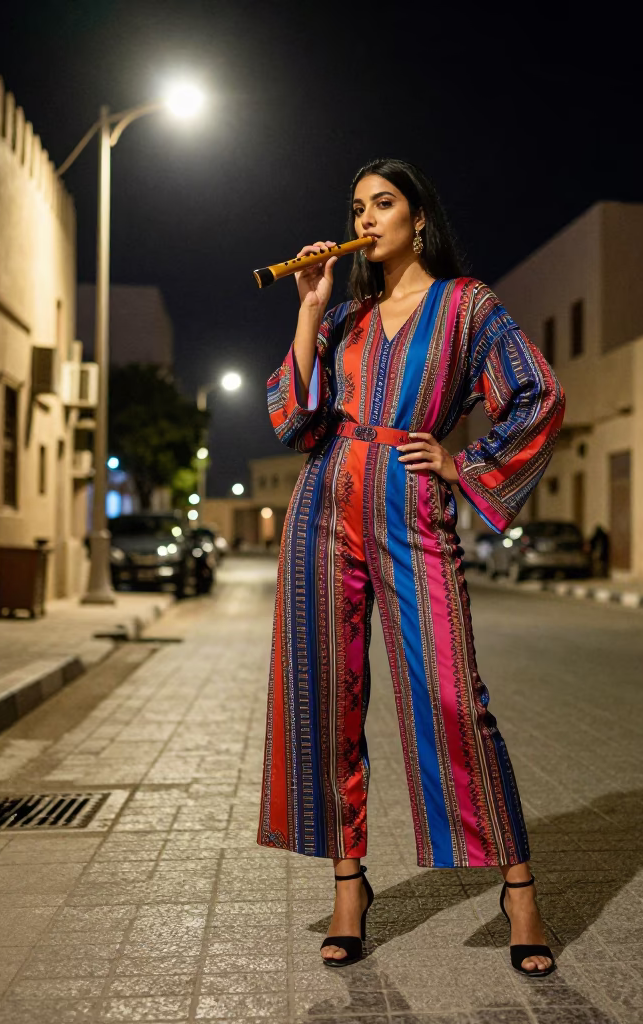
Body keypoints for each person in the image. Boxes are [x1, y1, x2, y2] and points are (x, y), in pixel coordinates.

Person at [257, 158, 565, 975]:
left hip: (410, 506)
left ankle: (520, 887)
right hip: (323, 504)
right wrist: (310, 308)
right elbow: (295, 414)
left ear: (418, 217)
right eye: (356, 206)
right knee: (326, 701)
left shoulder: (468, 307)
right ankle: (350, 885)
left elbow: (537, 393)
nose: (365, 218)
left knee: (455, 697)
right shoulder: (347, 315)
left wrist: (468, 465)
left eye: (382, 204)